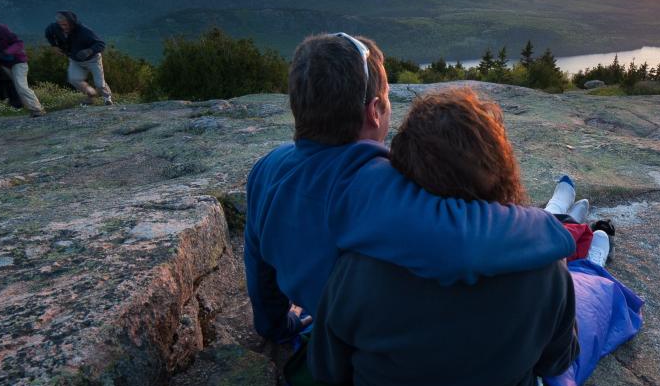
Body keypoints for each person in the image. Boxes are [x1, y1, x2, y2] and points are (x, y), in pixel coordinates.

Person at [288, 87, 643, 386]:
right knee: (588, 309)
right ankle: (594, 263)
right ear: (497, 165)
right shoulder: (544, 272)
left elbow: (327, 368)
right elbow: (556, 363)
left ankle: (577, 236)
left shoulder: (360, 265)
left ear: (403, 171)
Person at [243, 32, 575, 350]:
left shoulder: (267, 169)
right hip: (381, 344)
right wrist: (547, 226)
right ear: (374, 112)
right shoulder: (373, 187)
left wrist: (275, 326)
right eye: (386, 99)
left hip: (335, 325)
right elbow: (464, 239)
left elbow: (259, 268)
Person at [44, 11, 113, 105]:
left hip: (93, 60)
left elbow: (101, 44)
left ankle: (107, 98)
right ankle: (91, 94)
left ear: (72, 23)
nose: (63, 27)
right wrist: (54, 45)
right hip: (75, 60)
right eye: (61, 25)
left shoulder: (84, 31)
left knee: (99, 84)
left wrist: (89, 51)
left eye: (65, 25)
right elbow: (48, 33)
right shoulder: (54, 27)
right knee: (73, 79)